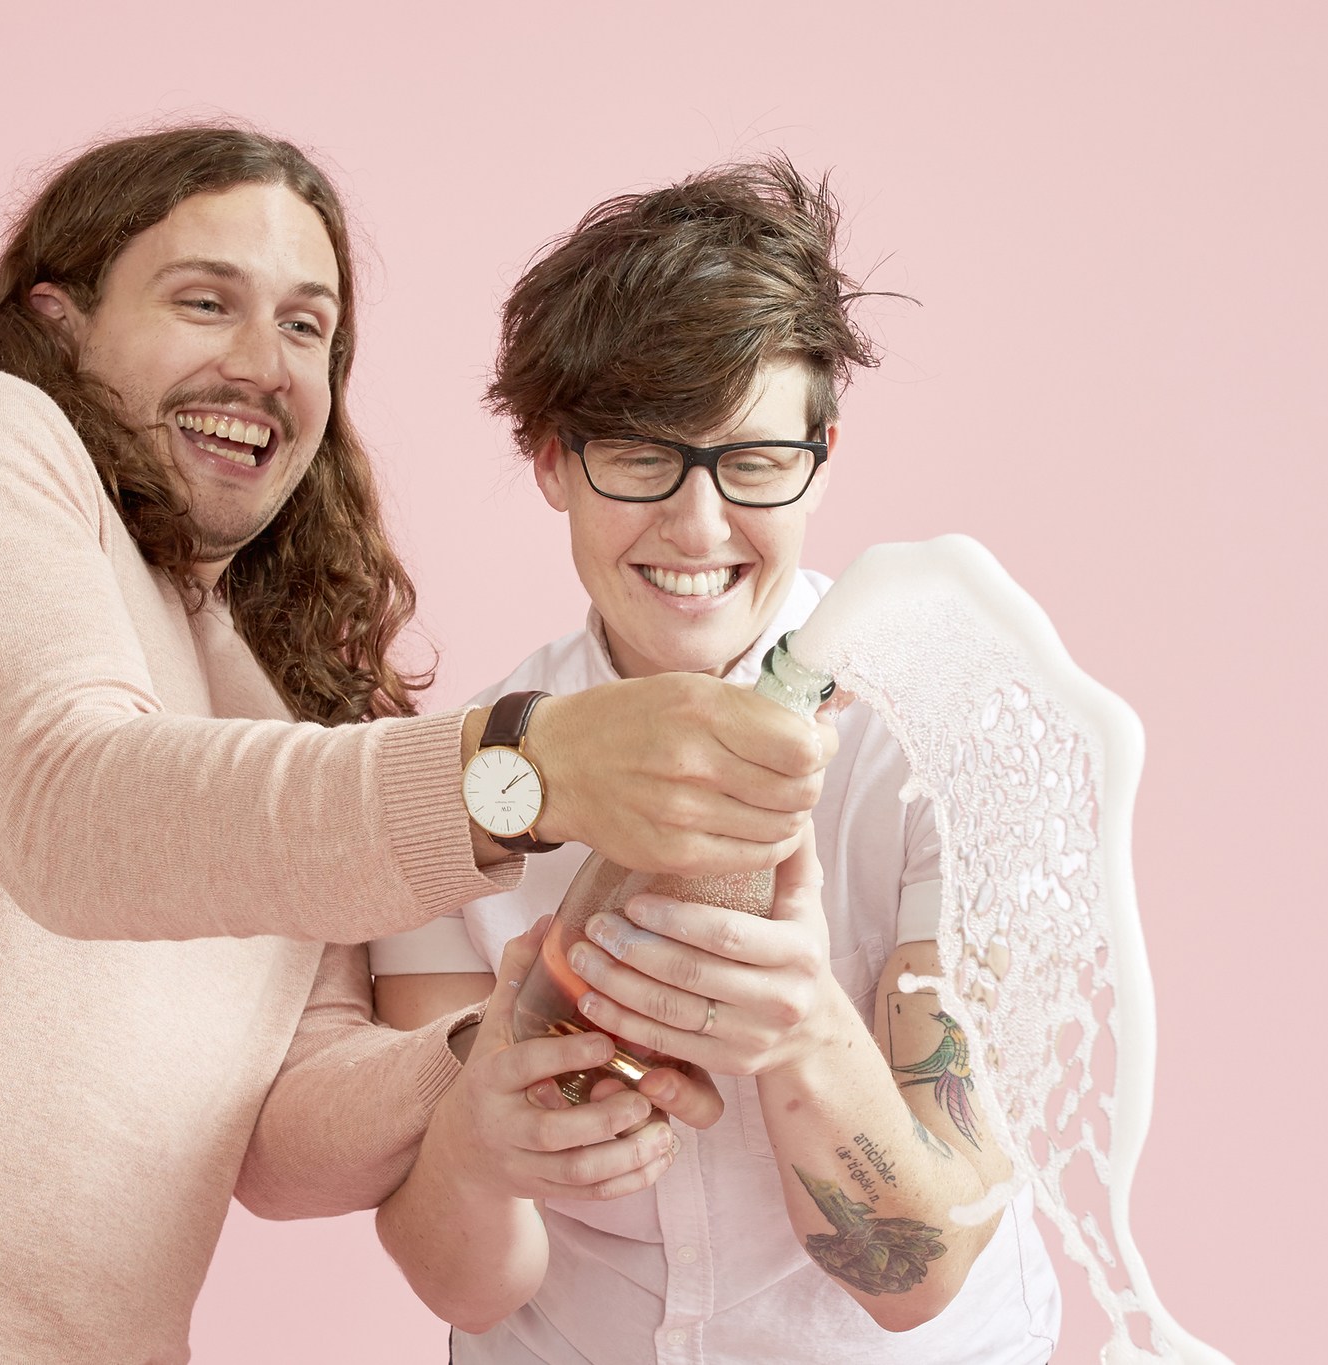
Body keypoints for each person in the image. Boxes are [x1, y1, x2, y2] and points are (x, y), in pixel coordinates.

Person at [0, 124, 832, 1365]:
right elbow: (72, 808)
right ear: (59, 318)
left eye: (309, 329)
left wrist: (500, 1037)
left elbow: (278, 1139)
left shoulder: (266, 695)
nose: (264, 365)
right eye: (205, 302)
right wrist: (527, 767)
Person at [371, 159, 1063, 1362]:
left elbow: (918, 1277)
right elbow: (469, 1290)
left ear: (823, 451)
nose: (697, 529)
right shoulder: (459, 789)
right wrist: (480, 1146)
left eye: (751, 461)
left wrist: (799, 1028)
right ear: (547, 458)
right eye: (640, 456)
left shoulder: (950, 740)